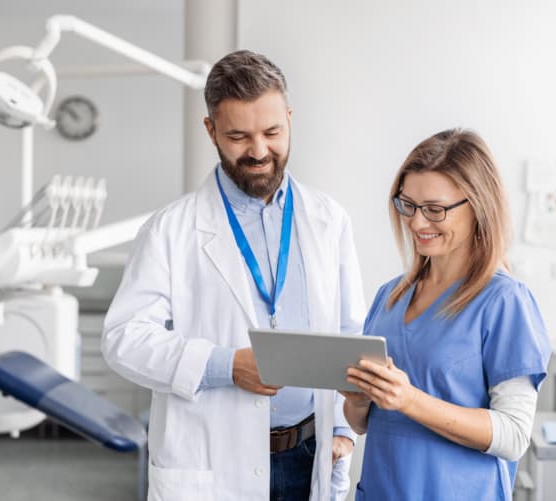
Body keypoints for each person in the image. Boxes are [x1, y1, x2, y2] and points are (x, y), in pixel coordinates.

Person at [102, 50, 365, 501]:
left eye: (272, 132)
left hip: (310, 454)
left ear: (289, 118)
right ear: (211, 131)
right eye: (239, 136)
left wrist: (342, 430)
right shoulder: (170, 230)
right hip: (214, 461)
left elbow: (349, 331)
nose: (259, 151)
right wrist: (224, 366)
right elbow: (124, 339)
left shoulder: (328, 219)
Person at [342, 129, 551, 500]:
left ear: (479, 206)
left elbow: (514, 435)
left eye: (435, 210)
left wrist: (408, 399)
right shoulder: (389, 297)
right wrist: (359, 400)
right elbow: (363, 424)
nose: (418, 223)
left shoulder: (504, 301)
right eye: (408, 205)